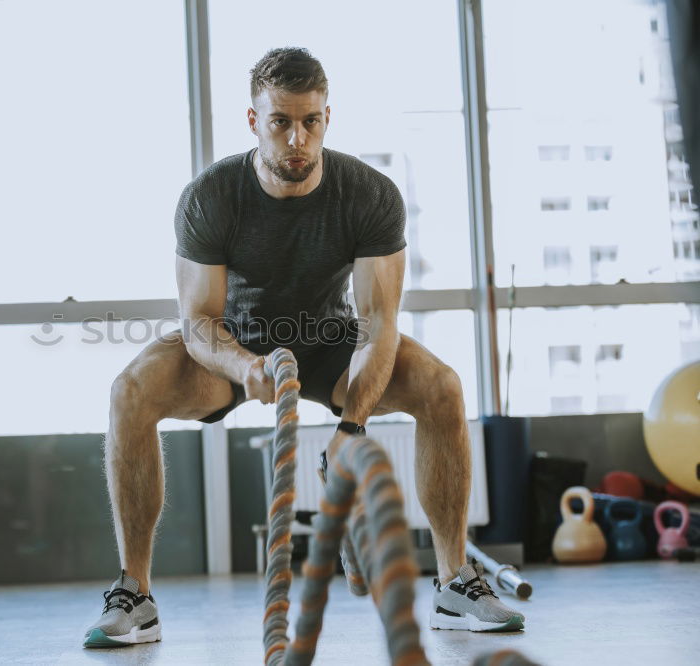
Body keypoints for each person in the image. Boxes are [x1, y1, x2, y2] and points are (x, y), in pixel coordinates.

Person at [83, 47, 524, 649]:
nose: (297, 138)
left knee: (441, 388)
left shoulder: (369, 194)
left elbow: (377, 322)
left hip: (330, 341)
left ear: (326, 117)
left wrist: (350, 431)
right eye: (281, 121)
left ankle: (454, 583)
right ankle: (135, 593)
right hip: (233, 346)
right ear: (252, 120)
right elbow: (198, 322)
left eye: (310, 121)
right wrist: (246, 365)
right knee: (129, 391)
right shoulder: (211, 196)